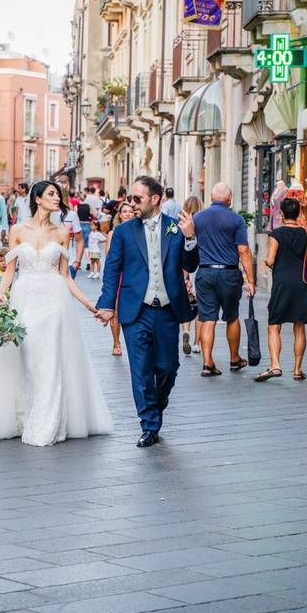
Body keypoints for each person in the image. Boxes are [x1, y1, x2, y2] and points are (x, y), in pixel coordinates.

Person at [0, 180, 113, 446]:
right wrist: (1, 295)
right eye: (51, 194)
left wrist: (90, 305)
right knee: (27, 356)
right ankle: (24, 413)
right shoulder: (17, 230)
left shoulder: (61, 233)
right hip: (25, 298)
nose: (57, 198)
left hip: (55, 299)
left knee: (51, 357)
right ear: (37, 199)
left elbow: (66, 277)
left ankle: (49, 421)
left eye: (58, 194)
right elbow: (10, 271)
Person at [95, 176, 199, 448]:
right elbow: (111, 270)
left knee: (168, 368)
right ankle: (149, 425)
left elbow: (191, 263)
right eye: (130, 198)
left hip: (167, 310)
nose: (131, 203)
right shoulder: (124, 232)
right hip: (135, 311)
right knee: (141, 371)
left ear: (156, 199)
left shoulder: (176, 229)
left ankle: (156, 404)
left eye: (137, 198)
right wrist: (107, 304)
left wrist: (190, 239)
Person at [191, 182, 254, 377]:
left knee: (207, 318)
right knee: (232, 317)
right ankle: (234, 359)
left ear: (211, 197)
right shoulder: (236, 219)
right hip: (229, 274)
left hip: (205, 272)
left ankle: (207, 363)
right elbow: (243, 250)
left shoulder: (197, 218)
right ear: (230, 199)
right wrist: (251, 280)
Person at [255, 198, 307, 383]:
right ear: (298, 214)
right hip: (302, 283)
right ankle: (297, 370)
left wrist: (266, 261)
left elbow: (271, 260)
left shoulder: (277, 234)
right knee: (299, 326)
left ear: (281, 214)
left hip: (282, 284)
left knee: (274, 325)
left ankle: (275, 365)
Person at [104, 201, 134, 356]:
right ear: (120, 215)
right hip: (120, 274)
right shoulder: (113, 233)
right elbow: (109, 255)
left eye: (131, 211)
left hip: (133, 274)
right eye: (125, 211)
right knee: (115, 310)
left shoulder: (138, 231)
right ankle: (116, 342)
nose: (128, 214)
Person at [179, 195, 204, 356]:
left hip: (185, 267)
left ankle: (185, 331)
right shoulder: (203, 223)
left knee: (186, 302)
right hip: (202, 267)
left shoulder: (181, 224)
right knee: (201, 307)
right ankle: (196, 343)